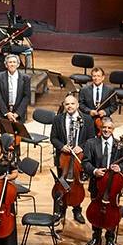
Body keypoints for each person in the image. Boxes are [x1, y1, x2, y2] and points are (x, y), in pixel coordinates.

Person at [84, 118, 123, 245]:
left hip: (114, 185)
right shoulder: (91, 143)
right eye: (104, 127)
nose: (106, 130)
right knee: (96, 210)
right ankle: (96, 236)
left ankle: (110, 238)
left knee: (112, 211)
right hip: (97, 184)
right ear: (100, 128)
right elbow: (85, 162)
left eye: (109, 128)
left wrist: (120, 168)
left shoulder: (121, 145)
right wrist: (94, 170)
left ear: (113, 130)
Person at [49, 94, 93, 226]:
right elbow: (53, 138)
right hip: (63, 158)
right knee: (61, 184)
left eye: (72, 103)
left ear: (77, 105)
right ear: (64, 105)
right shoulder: (58, 119)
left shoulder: (87, 119)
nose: (69, 106)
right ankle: (60, 211)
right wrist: (62, 147)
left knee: (77, 184)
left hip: (79, 158)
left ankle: (77, 210)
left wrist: (82, 147)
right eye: (67, 104)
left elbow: (91, 138)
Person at [0, 54, 32, 132]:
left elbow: (26, 97)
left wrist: (17, 113)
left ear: (18, 64)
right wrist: (7, 113)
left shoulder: (25, 78)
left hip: (19, 114)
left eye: (14, 62)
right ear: (6, 65)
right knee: (4, 138)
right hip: (3, 113)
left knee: (18, 138)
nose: (12, 64)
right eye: (10, 62)